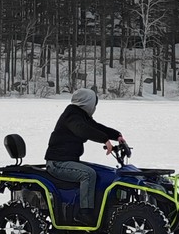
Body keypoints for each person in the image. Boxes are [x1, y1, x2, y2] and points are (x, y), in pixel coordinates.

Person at [44, 88, 127, 219]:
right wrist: (104, 139)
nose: (94, 107)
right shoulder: (72, 116)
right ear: (87, 103)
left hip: (67, 160)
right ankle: (84, 214)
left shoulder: (80, 115)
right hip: (57, 162)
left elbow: (96, 127)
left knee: (101, 172)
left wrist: (116, 136)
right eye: (94, 103)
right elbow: (82, 130)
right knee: (88, 174)